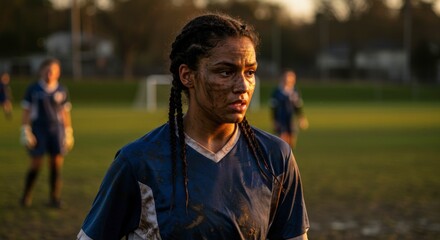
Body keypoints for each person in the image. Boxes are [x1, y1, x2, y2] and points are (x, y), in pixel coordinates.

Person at [77, 13, 309, 240]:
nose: (243, 86)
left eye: (250, 72)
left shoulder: (275, 158)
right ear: (187, 76)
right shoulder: (138, 163)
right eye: (225, 72)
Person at [20, 58, 74, 208]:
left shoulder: (62, 90)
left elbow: (65, 113)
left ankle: (54, 198)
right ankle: (26, 195)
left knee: (56, 163)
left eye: (53, 71)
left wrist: (69, 132)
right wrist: (25, 129)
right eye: (47, 70)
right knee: (36, 163)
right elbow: (26, 111)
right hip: (38, 130)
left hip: (56, 130)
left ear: (58, 73)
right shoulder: (33, 89)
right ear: (41, 71)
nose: (50, 73)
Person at [270, 70, 309, 148]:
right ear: (283, 78)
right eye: (288, 77)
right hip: (281, 119)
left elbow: (298, 106)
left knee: (292, 142)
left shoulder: (295, 91)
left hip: (291, 119)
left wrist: (301, 118)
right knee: (283, 142)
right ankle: (282, 158)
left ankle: (288, 158)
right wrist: (274, 120)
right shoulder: (277, 92)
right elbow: (273, 108)